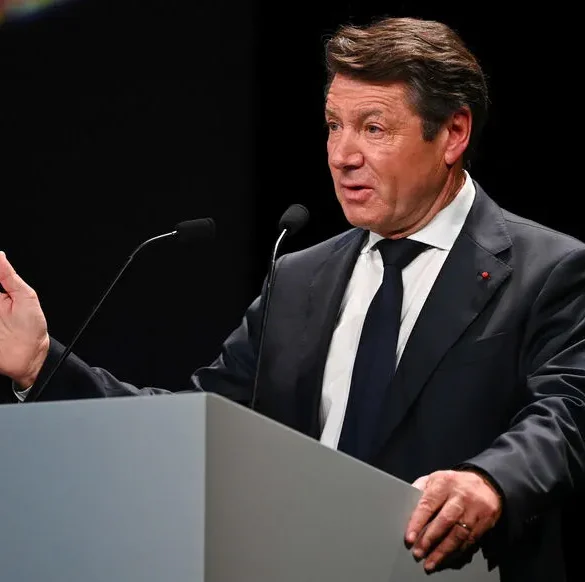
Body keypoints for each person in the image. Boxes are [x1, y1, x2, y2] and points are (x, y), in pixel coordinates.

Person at [1, 15, 584, 582]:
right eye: (333, 125)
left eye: (373, 129)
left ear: (453, 133)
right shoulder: (299, 279)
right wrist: (40, 364)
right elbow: (192, 426)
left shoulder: (547, 270)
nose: (342, 155)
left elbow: (566, 413)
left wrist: (489, 481)